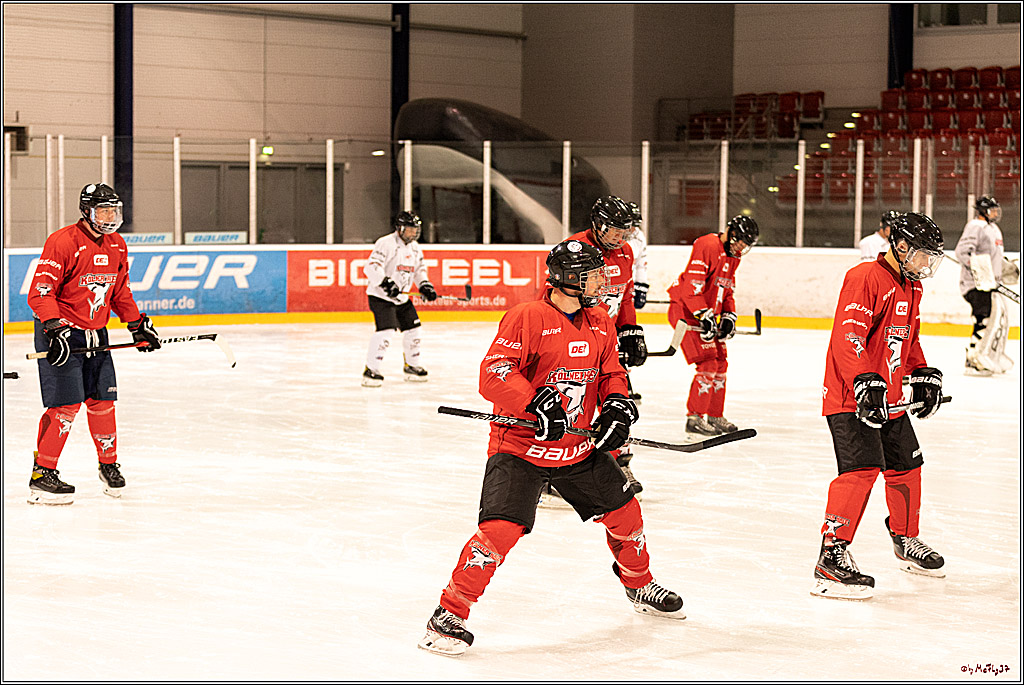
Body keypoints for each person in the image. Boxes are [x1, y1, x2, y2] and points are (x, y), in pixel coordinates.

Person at [417, 239, 684, 657]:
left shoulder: (600, 320)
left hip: (578, 449)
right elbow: (494, 374)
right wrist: (534, 401)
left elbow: (611, 372)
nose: (604, 281)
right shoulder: (528, 316)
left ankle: (639, 585)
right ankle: (448, 614)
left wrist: (617, 405)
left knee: (627, 514)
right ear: (568, 280)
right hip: (521, 447)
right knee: (498, 533)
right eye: (594, 275)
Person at [813, 212, 947, 601]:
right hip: (850, 394)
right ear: (901, 246)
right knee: (861, 469)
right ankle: (831, 557)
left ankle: (906, 539)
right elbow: (848, 334)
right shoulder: (865, 277)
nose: (926, 264)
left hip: (887, 394)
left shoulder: (911, 286)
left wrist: (921, 373)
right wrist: (863, 381)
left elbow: (907, 341)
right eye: (923, 255)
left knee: (907, 463)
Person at [26, 183, 162, 505]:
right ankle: (42, 475)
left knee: (103, 401)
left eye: (114, 211)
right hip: (61, 333)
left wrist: (136, 324)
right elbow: (41, 291)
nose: (110, 218)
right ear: (86, 211)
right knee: (65, 405)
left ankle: (108, 465)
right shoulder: (63, 242)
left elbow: (119, 292)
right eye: (103, 211)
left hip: (96, 334)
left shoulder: (117, 245)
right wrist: (53, 326)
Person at [562, 195, 647, 498]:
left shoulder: (625, 253)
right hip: (576, 341)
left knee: (617, 400)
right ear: (597, 224)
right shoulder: (575, 249)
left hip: (606, 341)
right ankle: (555, 469)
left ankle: (619, 463)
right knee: (572, 406)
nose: (620, 238)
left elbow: (624, 296)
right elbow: (555, 298)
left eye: (624, 232)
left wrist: (630, 331)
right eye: (614, 231)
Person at [667, 215, 758, 436]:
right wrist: (704, 315)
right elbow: (692, 287)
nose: (742, 248)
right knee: (708, 363)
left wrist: (728, 315)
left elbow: (726, 290)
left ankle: (714, 415)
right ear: (731, 233)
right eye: (740, 242)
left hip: (704, 314)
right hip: (686, 312)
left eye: (746, 245)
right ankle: (694, 417)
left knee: (721, 363)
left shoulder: (733, 256)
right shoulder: (707, 245)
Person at [361, 211, 437, 387]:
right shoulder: (385, 243)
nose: (413, 233)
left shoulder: (415, 248)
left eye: (415, 229)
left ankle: (412, 365)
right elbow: (371, 267)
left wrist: (425, 285)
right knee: (386, 332)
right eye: (410, 229)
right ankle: (371, 369)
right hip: (381, 297)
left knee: (414, 329)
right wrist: (385, 282)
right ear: (400, 228)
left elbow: (419, 270)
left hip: (401, 298)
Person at [954, 195, 1018, 375]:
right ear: (983, 211)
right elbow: (962, 252)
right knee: (983, 319)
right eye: (992, 209)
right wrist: (978, 270)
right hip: (977, 284)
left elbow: (992, 256)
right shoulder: (975, 226)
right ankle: (974, 360)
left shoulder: (993, 229)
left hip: (991, 284)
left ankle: (990, 355)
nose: (996, 213)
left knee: (997, 320)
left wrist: (1004, 266)